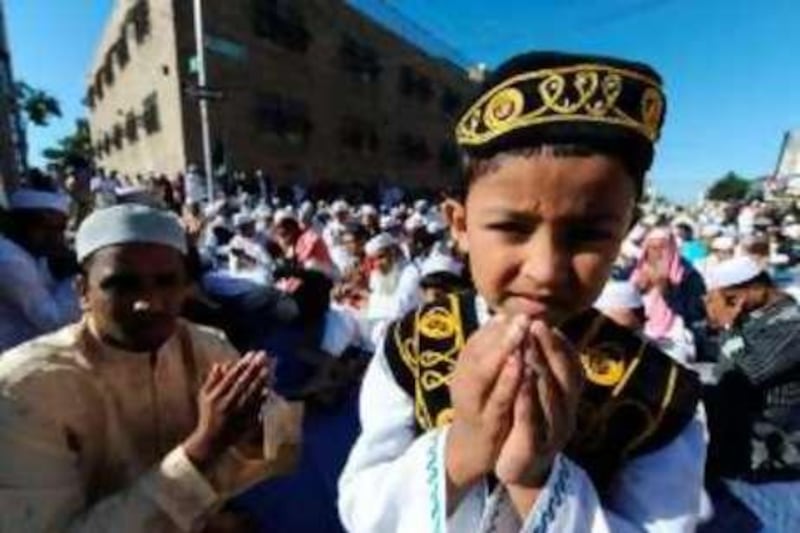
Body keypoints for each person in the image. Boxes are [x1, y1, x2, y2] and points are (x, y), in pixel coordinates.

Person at [339, 51, 704, 532]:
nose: (546, 270)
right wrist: (464, 448)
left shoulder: (659, 395)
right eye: (512, 227)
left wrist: (535, 481)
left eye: (587, 235)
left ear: (624, 231)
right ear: (461, 225)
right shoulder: (412, 345)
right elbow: (362, 508)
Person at [0, 204, 301, 531]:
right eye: (123, 284)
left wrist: (258, 428)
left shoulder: (206, 347)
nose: (150, 302)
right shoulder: (22, 389)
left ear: (186, 286)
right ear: (82, 292)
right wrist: (203, 447)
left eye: (166, 282)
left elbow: (279, 446)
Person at [702, 256, 800, 531]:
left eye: (729, 299)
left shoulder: (791, 324)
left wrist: (728, 328)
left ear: (750, 292)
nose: (728, 305)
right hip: (744, 444)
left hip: (774, 452)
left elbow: (750, 370)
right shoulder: (759, 317)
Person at [0, 188, 80, 352]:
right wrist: (76, 278)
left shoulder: (33, 252)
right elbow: (52, 320)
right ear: (19, 225)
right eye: (47, 227)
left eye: (60, 228)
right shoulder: (10, 260)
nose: (56, 237)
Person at [632, 227, 706, 357]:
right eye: (652, 247)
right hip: (643, 324)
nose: (657, 251)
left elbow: (693, 309)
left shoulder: (688, 273)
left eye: (662, 247)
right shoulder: (637, 268)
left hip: (675, 328)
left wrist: (664, 285)